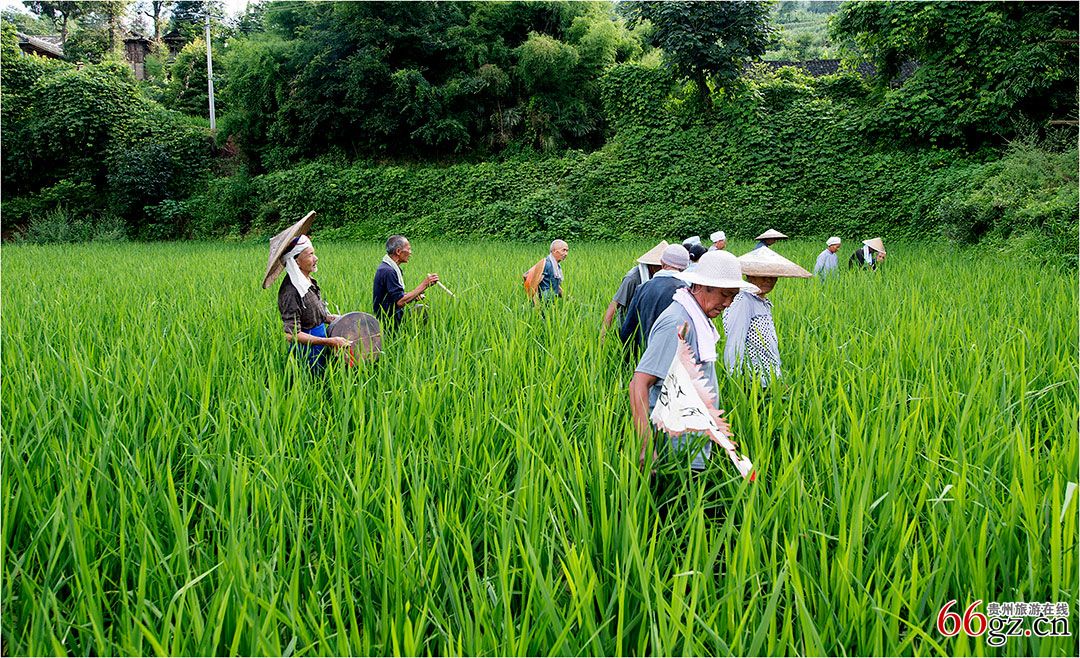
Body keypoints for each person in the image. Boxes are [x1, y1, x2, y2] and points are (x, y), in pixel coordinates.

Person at [629, 250, 758, 474]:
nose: (728, 303)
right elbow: (638, 383)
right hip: (675, 452)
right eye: (724, 294)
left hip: (691, 444)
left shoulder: (697, 319)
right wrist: (645, 445)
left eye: (733, 296)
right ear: (700, 286)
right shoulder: (678, 322)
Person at [722, 246, 810, 388]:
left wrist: (777, 378)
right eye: (762, 275)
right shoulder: (743, 300)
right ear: (749, 275)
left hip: (769, 379)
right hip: (753, 382)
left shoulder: (761, 301)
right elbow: (734, 342)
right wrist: (736, 382)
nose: (768, 280)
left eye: (772, 275)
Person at [275, 235, 349, 372]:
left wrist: (335, 319)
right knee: (310, 383)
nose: (316, 258)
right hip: (306, 350)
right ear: (297, 261)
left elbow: (314, 314)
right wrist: (329, 341)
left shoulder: (308, 281)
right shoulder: (291, 291)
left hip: (320, 341)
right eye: (310, 255)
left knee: (322, 379)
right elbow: (291, 335)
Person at [619, 244, 689, 351]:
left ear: (662, 262)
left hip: (644, 356)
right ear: (685, 267)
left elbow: (627, 330)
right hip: (673, 356)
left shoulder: (642, 288)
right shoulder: (686, 291)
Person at [373, 235, 439, 328]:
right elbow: (400, 302)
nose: (410, 253)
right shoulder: (388, 271)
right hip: (388, 321)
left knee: (422, 309)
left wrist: (414, 296)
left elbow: (394, 296)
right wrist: (424, 284)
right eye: (409, 249)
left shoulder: (391, 268)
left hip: (392, 316)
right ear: (398, 251)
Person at [602, 241, 668, 334]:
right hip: (630, 326)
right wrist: (603, 336)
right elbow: (614, 305)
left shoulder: (664, 277)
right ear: (653, 266)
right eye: (663, 266)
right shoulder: (632, 278)